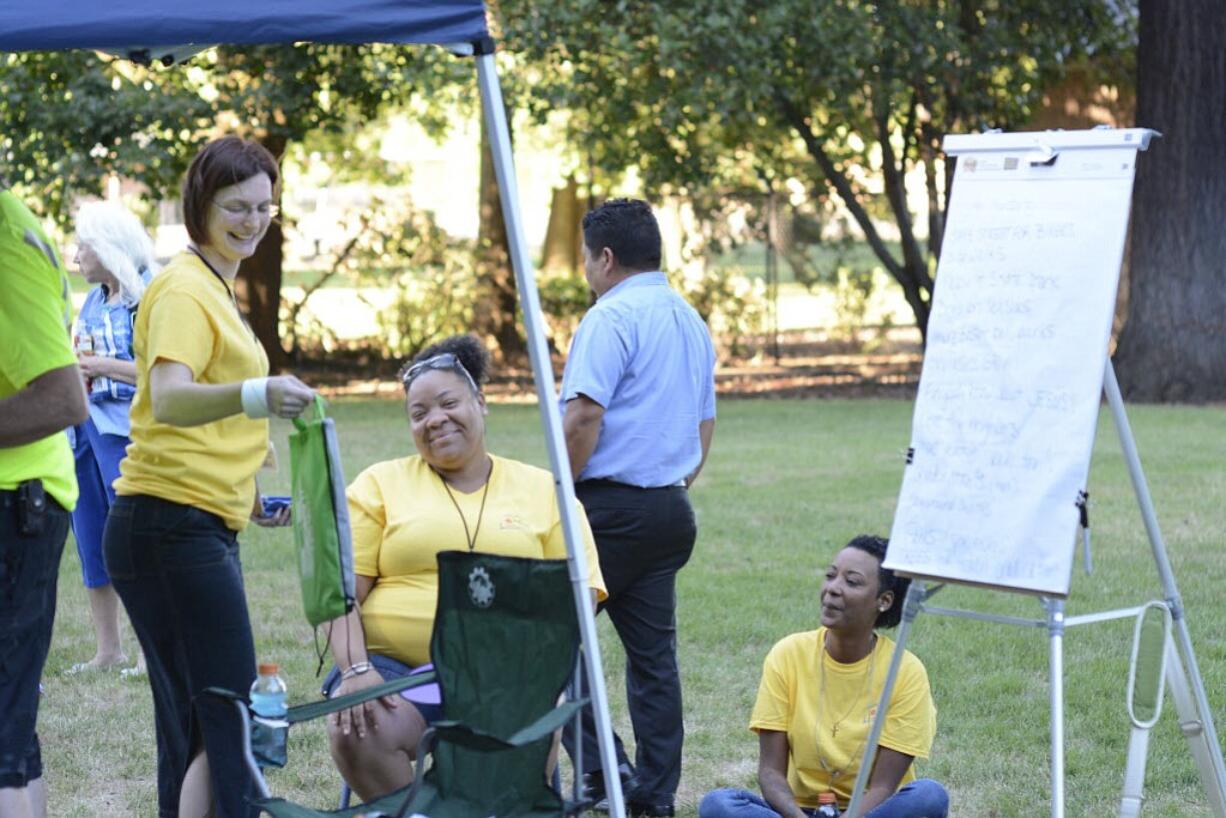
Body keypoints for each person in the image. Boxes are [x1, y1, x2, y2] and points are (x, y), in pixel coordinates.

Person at [101, 136, 314, 818]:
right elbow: (168, 397)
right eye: (236, 207)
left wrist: (248, 493)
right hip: (168, 526)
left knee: (201, 718)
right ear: (200, 204)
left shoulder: (214, 285)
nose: (252, 221)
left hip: (191, 523)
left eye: (263, 207)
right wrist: (259, 395)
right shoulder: (185, 288)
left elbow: (203, 411)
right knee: (227, 717)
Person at [323, 334, 607, 804]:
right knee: (357, 723)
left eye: (448, 402)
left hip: (503, 671)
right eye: (419, 413)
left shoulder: (544, 490)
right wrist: (355, 670)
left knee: (530, 712)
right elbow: (339, 592)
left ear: (481, 402)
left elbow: (578, 599)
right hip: (394, 669)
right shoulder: (380, 484)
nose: (435, 419)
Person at [559, 198, 717, 817]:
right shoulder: (690, 320)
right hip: (669, 512)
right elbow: (704, 425)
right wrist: (672, 488)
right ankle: (653, 797)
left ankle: (604, 772)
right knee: (654, 663)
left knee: (543, 644)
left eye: (585, 260)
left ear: (605, 257)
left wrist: (559, 493)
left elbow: (583, 415)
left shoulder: (610, 316)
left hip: (606, 512)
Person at [699, 536, 949, 818]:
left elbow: (884, 786)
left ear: (884, 600)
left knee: (928, 796)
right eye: (831, 576)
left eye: (851, 582)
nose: (833, 589)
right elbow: (770, 772)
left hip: (873, 810)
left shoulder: (904, 670)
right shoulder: (788, 654)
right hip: (798, 811)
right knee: (719, 804)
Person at [0, 181, 89, 818]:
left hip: (16, 504)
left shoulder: (6, 235)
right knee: (12, 734)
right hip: (23, 501)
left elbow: (63, 398)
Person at [65, 200, 157, 676]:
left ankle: (148, 651)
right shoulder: (98, 295)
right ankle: (108, 650)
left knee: (129, 542)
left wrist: (100, 367)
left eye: (83, 244)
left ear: (107, 246)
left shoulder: (148, 296)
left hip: (125, 434)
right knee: (92, 538)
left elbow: (162, 372)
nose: (76, 253)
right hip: (83, 431)